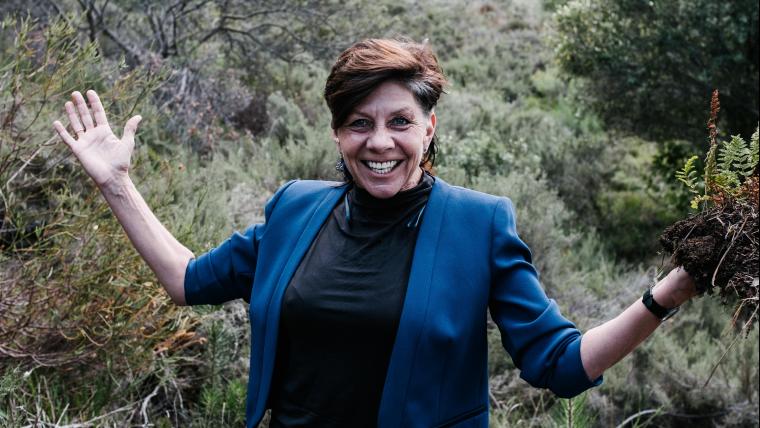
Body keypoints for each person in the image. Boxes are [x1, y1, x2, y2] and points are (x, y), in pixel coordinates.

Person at [53, 39, 697, 428]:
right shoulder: (295, 210)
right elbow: (188, 281)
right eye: (360, 123)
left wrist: (664, 294)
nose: (380, 142)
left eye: (400, 121)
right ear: (337, 133)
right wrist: (116, 183)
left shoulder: (479, 224)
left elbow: (559, 363)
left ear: (430, 127)